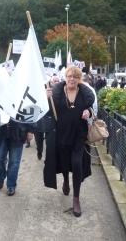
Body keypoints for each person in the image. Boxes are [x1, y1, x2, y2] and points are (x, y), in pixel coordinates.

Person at [43, 66, 95, 218]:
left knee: (77, 163)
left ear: (79, 80)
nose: (72, 79)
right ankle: (65, 179)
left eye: (76, 77)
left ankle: (76, 198)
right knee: (65, 162)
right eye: (69, 76)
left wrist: (88, 112)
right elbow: (47, 112)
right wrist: (46, 98)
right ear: (65, 77)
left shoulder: (85, 94)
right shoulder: (56, 92)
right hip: (61, 134)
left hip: (79, 134)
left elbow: (92, 109)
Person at [0, 119, 34, 196]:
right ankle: (0, 178)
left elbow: (29, 110)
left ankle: (11, 185)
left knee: (14, 161)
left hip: (18, 131)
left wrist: (30, 130)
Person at [34, 75, 59, 160]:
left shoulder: (56, 91)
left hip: (51, 119)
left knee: (50, 142)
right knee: (39, 140)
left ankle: (48, 159)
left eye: (57, 81)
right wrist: (44, 97)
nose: (56, 82)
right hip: (39, 119)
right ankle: (39, 151)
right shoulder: (37, 90)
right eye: (55, 81)